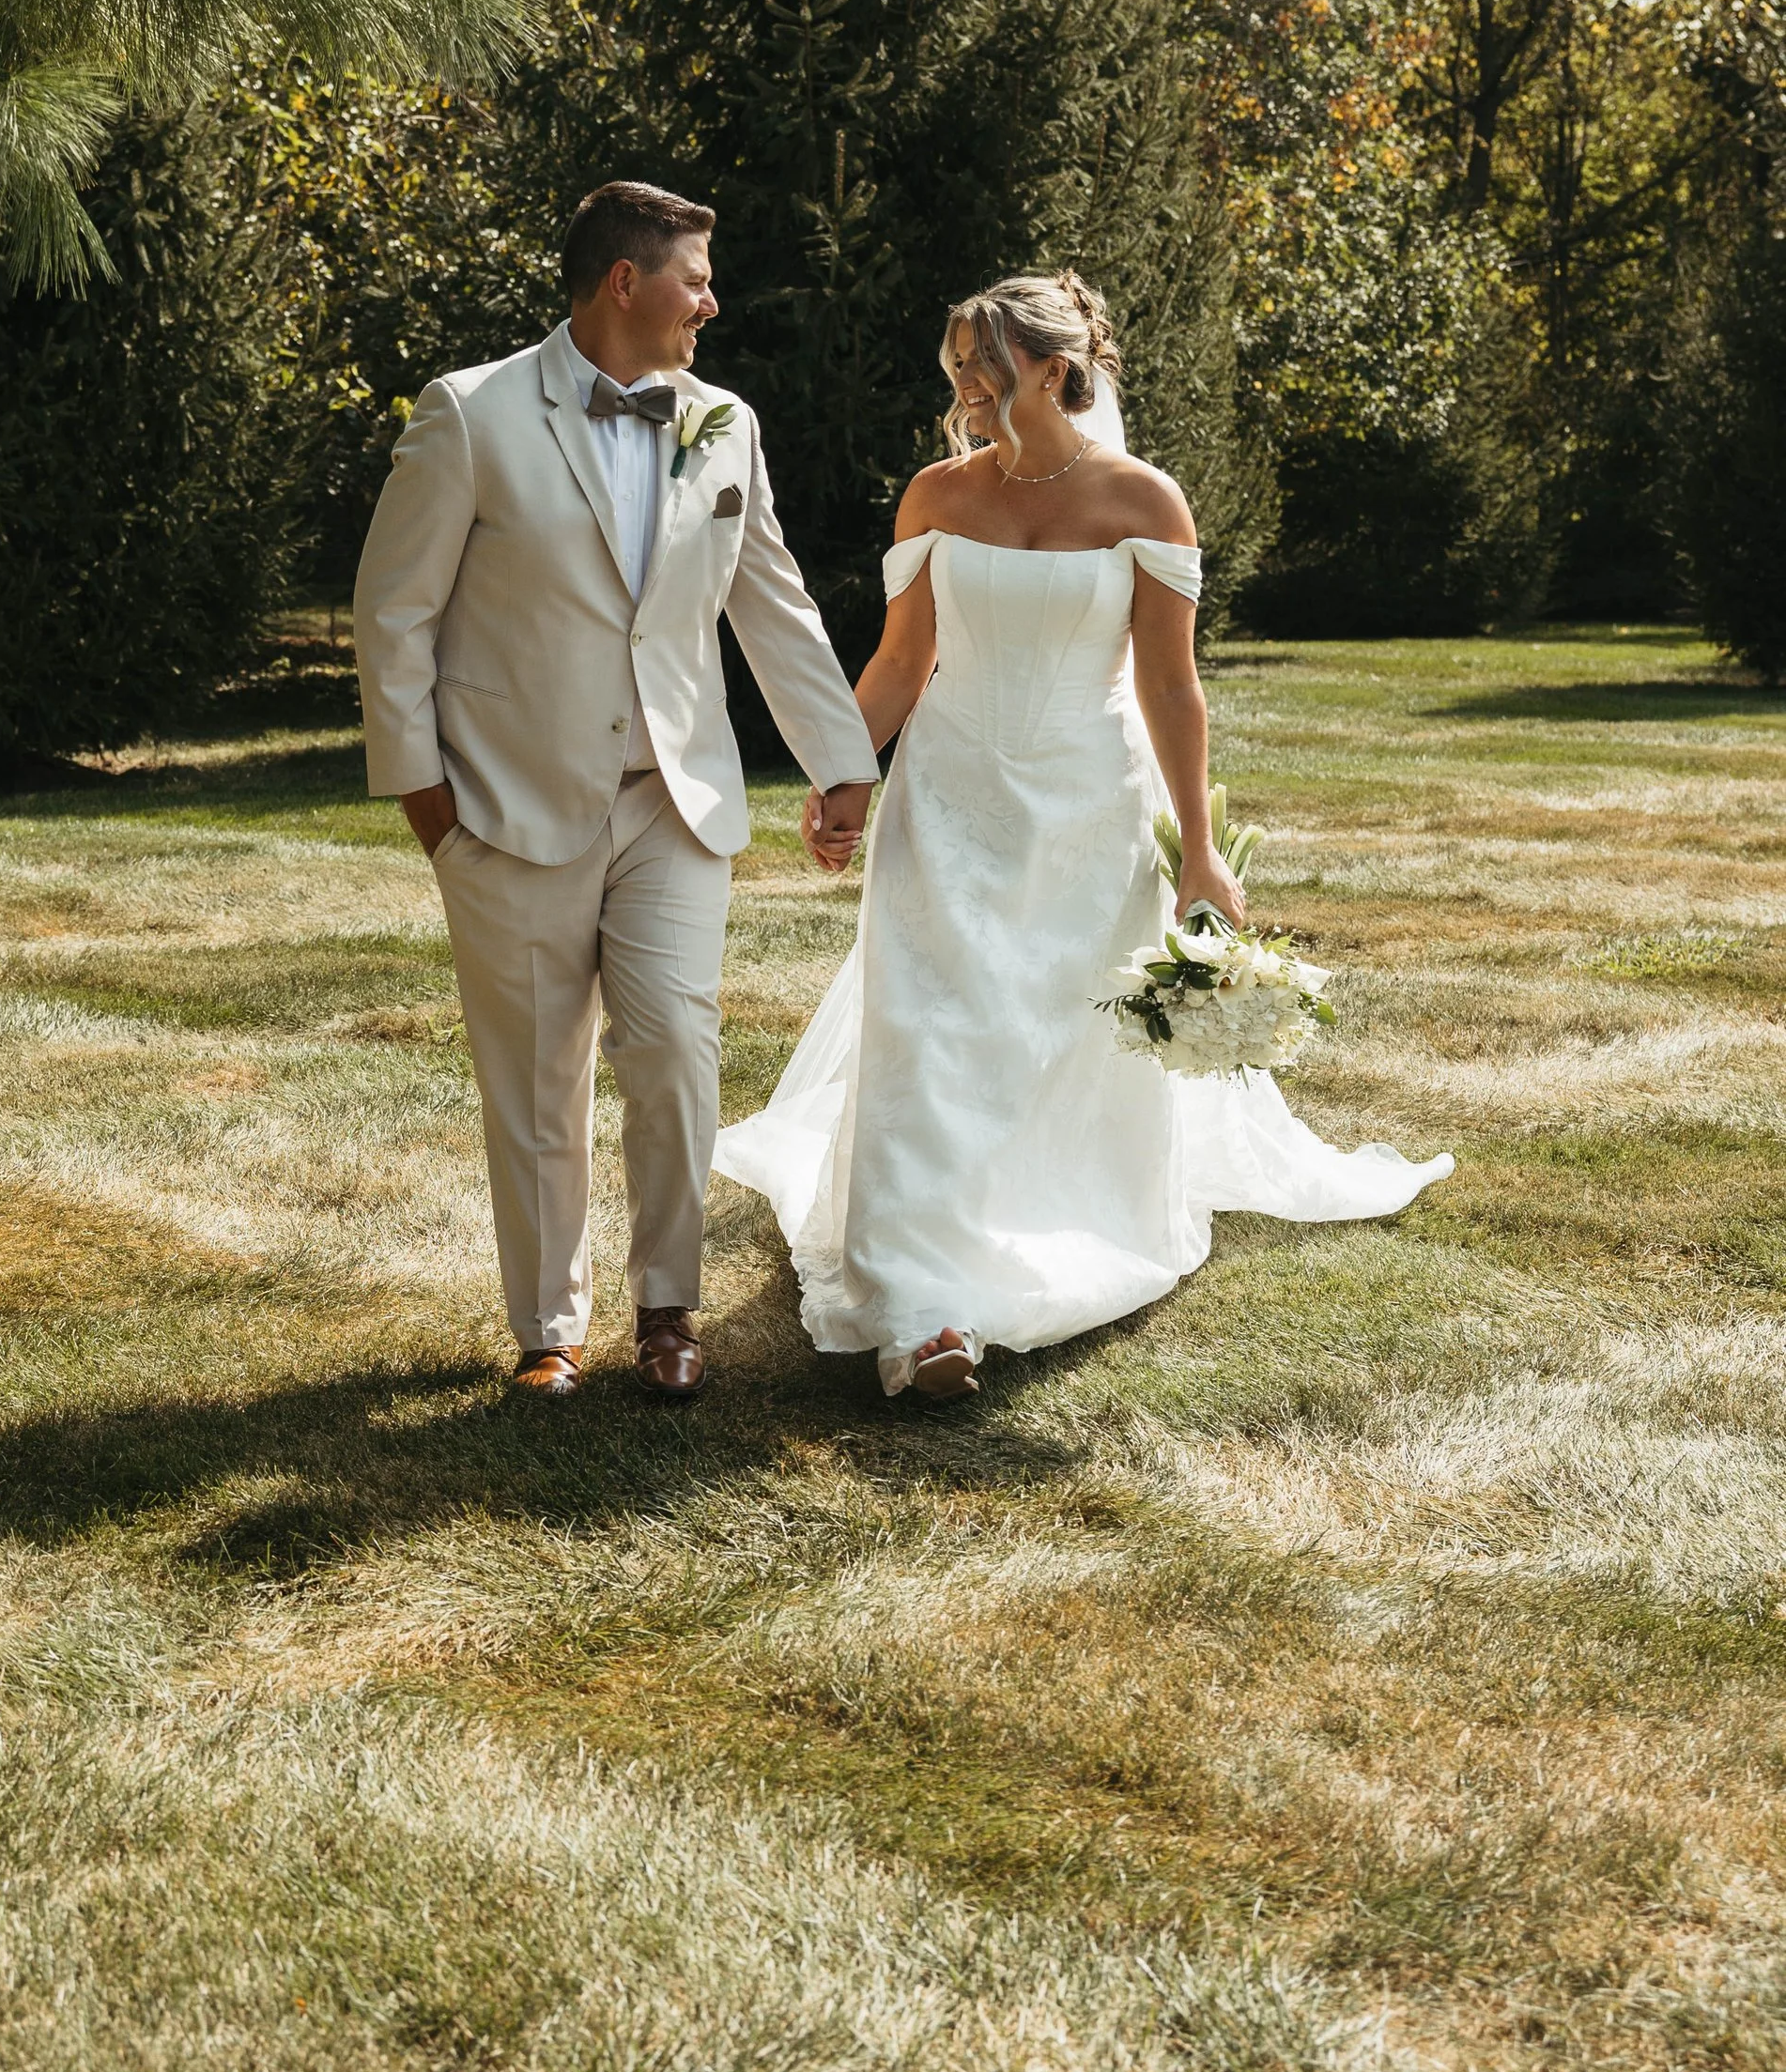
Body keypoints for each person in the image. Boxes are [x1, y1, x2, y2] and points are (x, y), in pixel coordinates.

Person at [713, 270, 1451, 1399]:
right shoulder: (935, 496)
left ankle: (1045, 1232)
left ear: (1054, 371)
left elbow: (1171, 687)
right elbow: (903, 659)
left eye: (982, 367)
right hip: (947, 793)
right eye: (955, 365)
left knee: (1056, 1034)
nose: (962, 388)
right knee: (927, 1028)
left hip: (1091, 801)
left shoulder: (1143, 503)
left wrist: (1199, 848)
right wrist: (841, 773)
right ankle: (922, 1311)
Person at [354, 182, 879, 1402]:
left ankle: (668, 1310)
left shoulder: (725, 423)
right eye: (694, 276)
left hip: (672, 810)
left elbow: (773, 600)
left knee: (676, 1056)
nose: (712, 299)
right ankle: (548, 1329)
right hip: (506, 809)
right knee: (535, 1075)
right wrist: (429, 807)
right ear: (622, 283)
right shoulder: (472, 415)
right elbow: (395, 619)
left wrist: (842, 758)